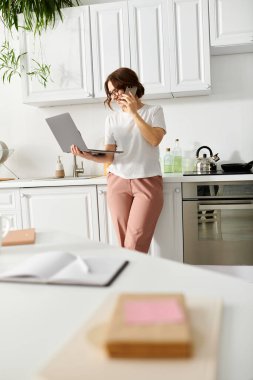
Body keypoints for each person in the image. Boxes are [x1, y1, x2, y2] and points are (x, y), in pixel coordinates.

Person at [71, 67, 166, 253]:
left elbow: (154, 140)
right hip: (117, 181)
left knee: (135, 242)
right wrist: (85, 154)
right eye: (110, 92)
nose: (114, 96)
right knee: (124, 244)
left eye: (117, 90)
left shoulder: (154, 111)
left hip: (147, 180)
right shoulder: (112, 119)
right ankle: (128, 280)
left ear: (131, 87)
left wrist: (134, 113)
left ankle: (132, 279)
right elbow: (109, 156)